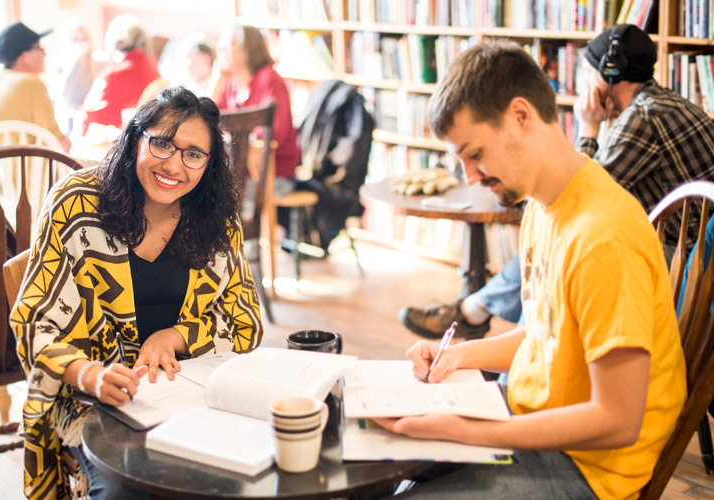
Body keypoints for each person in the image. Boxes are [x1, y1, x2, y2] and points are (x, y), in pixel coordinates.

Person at [376, 39, 686, 500]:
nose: (470, 177)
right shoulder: (544, 204)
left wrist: (471, 431)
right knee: (373, 457)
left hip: (587, 465)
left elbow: (618, 420)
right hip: (526, 415)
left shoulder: (604, 237)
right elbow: (547, 333)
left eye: (475, 153)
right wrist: (459, 356)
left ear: (521, 117)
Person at [10, 86, 264, 499]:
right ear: (135, 139)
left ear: (209, 165)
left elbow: (246, 323)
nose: (174, 165)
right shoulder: (76, 203)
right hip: (94, 405)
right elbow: (34, 323)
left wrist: (175, 336)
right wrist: (91, 375)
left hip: (190, 398)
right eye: (162, 143)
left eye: (194, 154)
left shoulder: (216, 221)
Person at [399, 24, 714, 340]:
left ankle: (475, 311)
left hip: (687, 258)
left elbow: (583, 188)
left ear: (608, 73)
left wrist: (588, 127)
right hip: (689, 244)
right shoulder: (662, 103)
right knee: (547, 261)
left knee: (558, 251)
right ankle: (484, 319)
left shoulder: (643, 117)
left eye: (587, 73)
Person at [210, 23, 300, 195]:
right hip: (238, 173)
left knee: (218, 197)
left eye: (227, 44)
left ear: (246, 49)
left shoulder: (269, 78)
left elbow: (276, 134)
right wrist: (217, 81)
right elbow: (207, 121)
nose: (220, 49)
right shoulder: (231, 84)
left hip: (272, 175)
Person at [0, 22, 70, 152]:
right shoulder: (30, 83)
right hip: (20, 169)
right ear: (22, 58)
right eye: (39, 48)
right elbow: (59, 145)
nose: (44, 54)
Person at [76, 14, 160, 135]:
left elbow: (89, 116)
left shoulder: (114, 74)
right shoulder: (154, 67)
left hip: (117, 141)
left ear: (115, 43)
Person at [139, 33, 216, 105]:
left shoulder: (216, 86)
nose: (185, 64)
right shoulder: (180, 85)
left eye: (188, 57)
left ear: (204, 59)